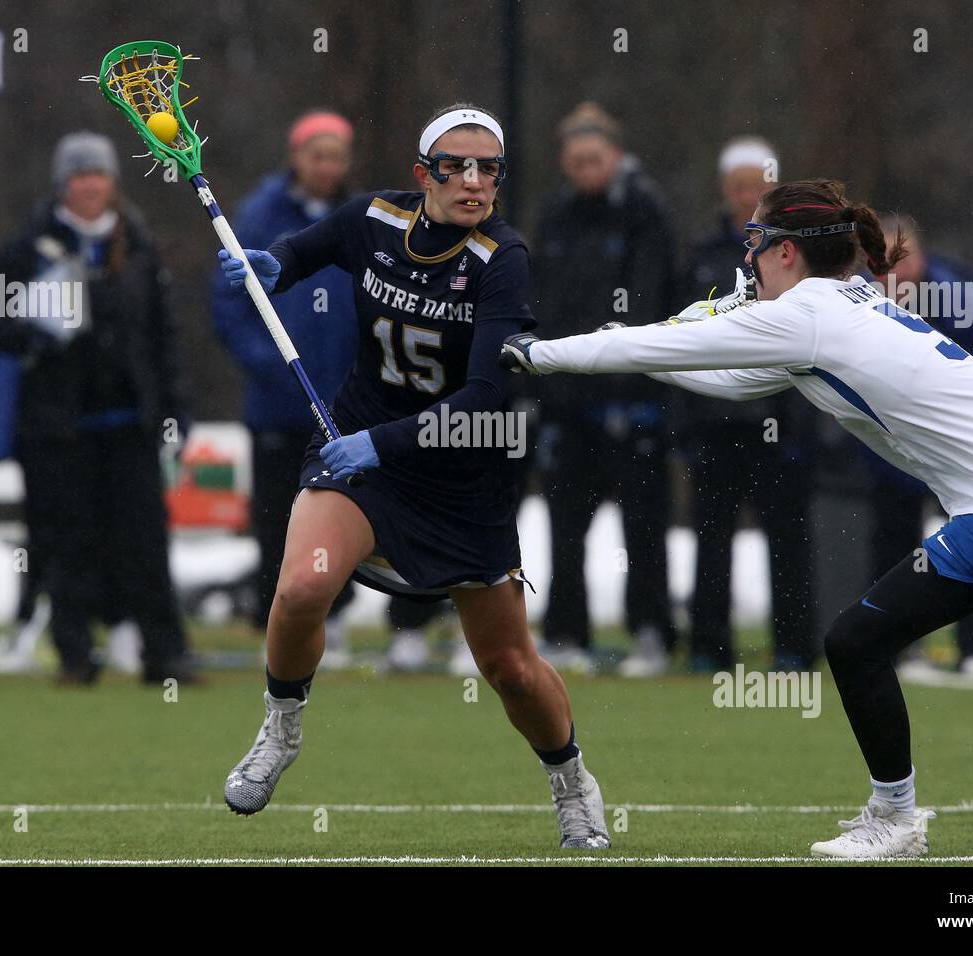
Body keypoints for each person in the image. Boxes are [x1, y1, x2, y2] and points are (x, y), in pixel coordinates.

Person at [500, 178, 973, 859]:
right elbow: (730, 378)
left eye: (755, 241)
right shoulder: (839, 300)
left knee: (855, 643)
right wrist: (640, 347)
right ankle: (894, 814)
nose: (746, 257)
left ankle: (896, 819)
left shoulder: (806, 315)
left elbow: (659, 349)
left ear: (787, 251)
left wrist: (538, 354)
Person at [217, 103, 610, 849]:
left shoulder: (503, 259)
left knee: (509, 667)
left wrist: (383, 443)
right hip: (360, 457)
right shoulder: (374, 218)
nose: (474, 182)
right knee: (301, 589)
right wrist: (272, 266)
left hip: (459, 474)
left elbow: (486, 395)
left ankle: (571, 781)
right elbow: (302, 251)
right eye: (456, 167)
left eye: (489, 169)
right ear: (423, 173)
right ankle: (281, 728)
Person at [0, 131, 194, 685]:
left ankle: (165, 654)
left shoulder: (138, 244)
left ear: (112, 183)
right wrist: (34, 330)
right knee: (66, 543)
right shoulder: (29, 245)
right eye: (79, 176)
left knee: (144, 542)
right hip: (58, 427)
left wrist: (175, 408)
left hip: (129, 422)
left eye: (98, 174)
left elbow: (162, 336)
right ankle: (76, 656)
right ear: (62, 185)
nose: (90, 186)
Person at [530, 102, 679, 677]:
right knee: (565, 527)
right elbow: (545, 298)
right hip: (568, 402)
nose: (585, 170)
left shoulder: (645, 211)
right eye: (575, 161)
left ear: (615, 155)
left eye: (594, 159)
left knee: (644, 526)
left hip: (632, 400)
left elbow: (651, 302)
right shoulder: (556, 214)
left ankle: (651, 632)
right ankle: (566, 633)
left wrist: (627, 377)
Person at [211, 110, 360, 666]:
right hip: (277, 405)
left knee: (341, 512)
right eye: (316, 156)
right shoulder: (260, 214)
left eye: (335, 157)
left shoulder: (360, 217)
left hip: (345, 404)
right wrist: (271, 364)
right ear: (296, 157)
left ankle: (334, 618)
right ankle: (279, 624)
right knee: (278, 516)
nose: (325, 167)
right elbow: (229, 303)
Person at [681, 136, 817, 672]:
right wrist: (687, 420)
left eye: (756, 187)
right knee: (711, 540)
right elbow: (681, 338)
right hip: (715, 423)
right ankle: (707, 647)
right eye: (738, 187)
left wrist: (801, 426)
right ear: (724, 189)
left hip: (778, 421)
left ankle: (795, 647)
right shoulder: (700, 252)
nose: (746, 197)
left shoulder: (796, 254)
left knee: (788, 539)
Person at [872, 214, 973, 677]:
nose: (895, 271)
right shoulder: (862, 306)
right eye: (883, 261)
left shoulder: (954, 297)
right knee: (895, 545)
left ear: (921, 257)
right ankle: (899, 648)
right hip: (896, 447)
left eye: (902, 259)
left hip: (957, 445)